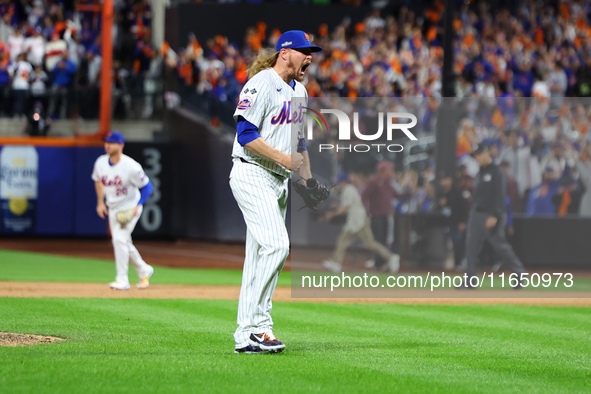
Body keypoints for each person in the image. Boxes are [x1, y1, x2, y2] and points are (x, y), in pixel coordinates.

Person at [229, 31, 321, 354]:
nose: (310, 57)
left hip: (278, 182)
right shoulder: (262, 83)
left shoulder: (301, 92)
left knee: (257, 259)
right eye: (304, 51)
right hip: (252, 172)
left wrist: (307, 181)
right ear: (285, 52)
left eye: (311, 52)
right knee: (278, 245)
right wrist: (284, 160)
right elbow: (245, 134)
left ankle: (249, 333)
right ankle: (257, 326)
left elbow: (299, 143)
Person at [91, 131, 155, 290]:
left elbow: (148, 187)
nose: (107, 144)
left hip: (130, 207)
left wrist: (138, 205)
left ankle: (122, 279)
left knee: (119, 239)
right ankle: (143, 269)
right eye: (106, 142)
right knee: (123, 241)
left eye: (111, 142)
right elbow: (98, 181)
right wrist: (100, 202)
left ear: (121, 145)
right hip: (113, 207)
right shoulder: (100, 162)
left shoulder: (131, 166)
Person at [461, 143, 526, 289]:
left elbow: (500, 194)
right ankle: (470, 280)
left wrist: (495, 215)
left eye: (478, 155)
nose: (476, 158)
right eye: (475, 156)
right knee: (470, 248)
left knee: (500, 246)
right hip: (477, 214)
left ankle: (519, 273)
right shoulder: (480, 172)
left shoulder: (497, 171)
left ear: (486, 153)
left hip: (491, 215)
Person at [320, 172, 400, 274]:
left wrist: (331, 214)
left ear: (343, 181)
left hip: (358, 221)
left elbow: (345, 208)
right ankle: (335, 263)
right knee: (345, 241)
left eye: (339, 182)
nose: (338, 184)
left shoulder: (348, 189)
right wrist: (337, 206)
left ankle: (391, 257)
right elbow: (348, 205)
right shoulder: (350, 189)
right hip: (357, 220)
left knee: (365, 243)